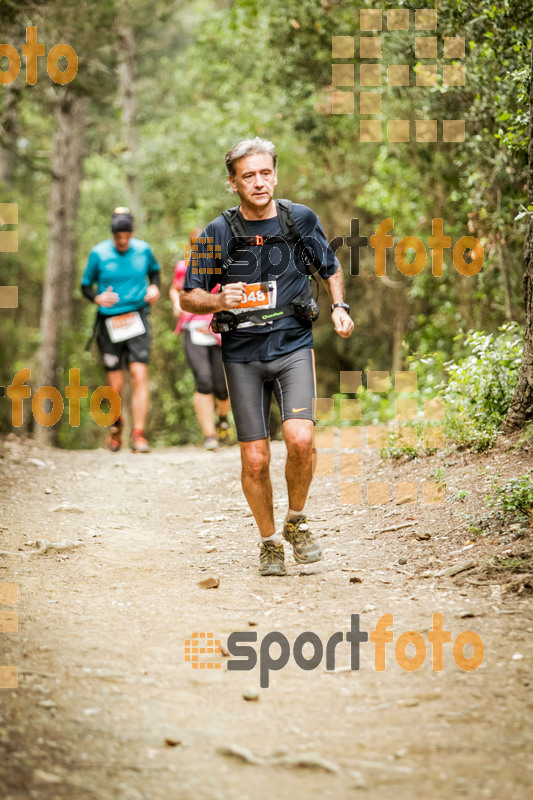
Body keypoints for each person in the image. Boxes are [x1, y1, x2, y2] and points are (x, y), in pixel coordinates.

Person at [180, 137, 354, 576]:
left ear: (274, 173)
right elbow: (187, 297)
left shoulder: (300, 219)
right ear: (233, 183)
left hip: (293, 344)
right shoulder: (214, 233)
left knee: (300, 439)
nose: (260, 182)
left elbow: (330, 266)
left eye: (266, 173)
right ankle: (269, 541)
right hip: (242, 354)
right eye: (249, 176)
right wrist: (219, 301)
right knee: (255, 458)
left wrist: (339, 307)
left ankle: (296, 521)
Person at [81, 207, 160, 453]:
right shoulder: (99, 253)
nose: (122, 239)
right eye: (118, 235)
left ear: (132, 232)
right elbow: (85, 285)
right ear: (113, 233)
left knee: (139, 375)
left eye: (126, 234)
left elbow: (155, 273)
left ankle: (138, 435)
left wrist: (155, 288)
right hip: (109, 323)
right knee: (115, 386)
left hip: (137, 318)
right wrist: (97, 298)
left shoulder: (144, 250)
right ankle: (116, 428)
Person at [169, 228, 231, 450]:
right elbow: (175, 288)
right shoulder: (183, 266)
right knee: (203, 381)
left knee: (222, 386)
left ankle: (223, 418)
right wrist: (177, 302)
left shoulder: (223, 265)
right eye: (196, 244)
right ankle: (209, 436)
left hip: (218, 330)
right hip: (193, 328)